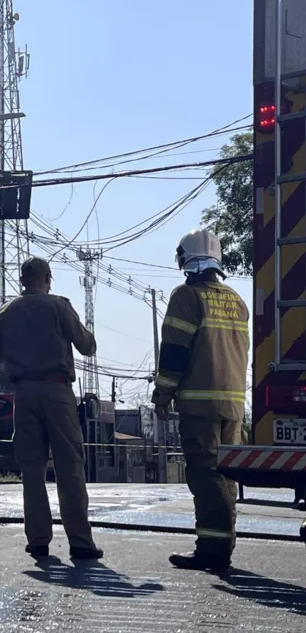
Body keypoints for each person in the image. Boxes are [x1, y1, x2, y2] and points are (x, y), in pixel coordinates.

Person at [0, 256, 103, 560]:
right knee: (69, 468)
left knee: (32, 470)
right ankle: (79, 541)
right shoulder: (59, 306)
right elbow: (87, 346)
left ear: (21, 281)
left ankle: (38, 539)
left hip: (23, 395)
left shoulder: (5, 312)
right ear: (48, 278)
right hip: (57, 392)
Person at [152, 228, 249, 573]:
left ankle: (212, 549)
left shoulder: (186, 296)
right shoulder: (237, 300)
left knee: (205, 477)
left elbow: (175, 352)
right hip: (233, 407)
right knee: (225, 477)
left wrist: (162, 395)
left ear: (185, 261)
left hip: (199, 405)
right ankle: (223, 543)